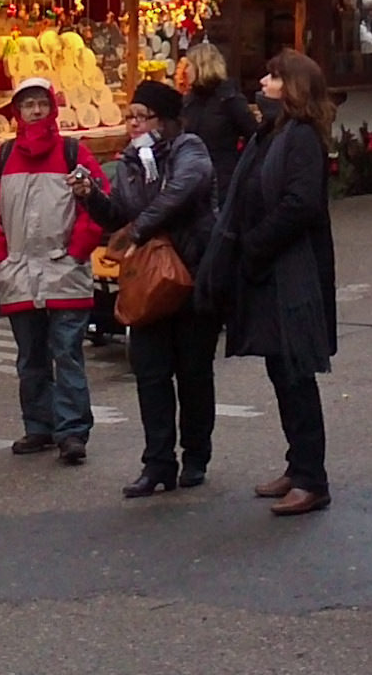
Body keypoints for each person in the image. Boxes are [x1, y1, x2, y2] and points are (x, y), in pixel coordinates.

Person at [76, 79, 220, 497]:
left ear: (167, 120)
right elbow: (118, 215)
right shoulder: (130, 162)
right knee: (151, 373)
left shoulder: (190, 149)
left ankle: (196, 455)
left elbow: (181, 192)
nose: (134, 124)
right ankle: (157, 462)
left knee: (193, 373)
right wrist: (91, 197)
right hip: (147, 282)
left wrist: (137, 230)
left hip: (191, 276)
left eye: (144, 117)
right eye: (131, 117)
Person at [221, 49, 339, 517]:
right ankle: (298, 463)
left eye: (273, 77)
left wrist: (255, 243)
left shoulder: (302, 137)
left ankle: (312, 478)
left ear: (292, 87)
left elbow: (300, 204)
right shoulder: (270, 133)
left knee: (295, 372)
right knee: (281, 371)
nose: (263, 84)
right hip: (269, 269)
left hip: (293, 271)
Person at [0, 76, 106, 465]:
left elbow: (98, 203)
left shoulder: (73, 153)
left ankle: (72, 431)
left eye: (41, 104)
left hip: (65, 270)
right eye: (28, 105)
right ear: (18, 111)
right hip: (19, 273)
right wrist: (0, 257)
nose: (35, 111)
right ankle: (39, 426)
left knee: (67, 354)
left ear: (52, 108)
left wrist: (77, 251)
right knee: (30, 357)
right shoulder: (2, 157)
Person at [180, 40, 259, 205]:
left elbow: (254, 135)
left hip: (222, 179)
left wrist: (240, 167)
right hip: (191, 178)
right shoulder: (188, 101)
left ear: (201, 66)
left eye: (189, 65)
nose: (185, 71)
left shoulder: (229, 99)